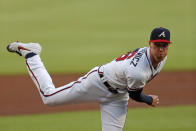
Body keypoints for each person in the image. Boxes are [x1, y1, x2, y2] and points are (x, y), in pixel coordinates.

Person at [7, 27, 171, 131]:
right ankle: (32, 54)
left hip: (117, 97)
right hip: (98, 83)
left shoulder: (160, 58)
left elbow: (130, 89)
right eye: (157, 45)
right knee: (49, 98)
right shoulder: (138, 72)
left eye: (164, 46)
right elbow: (135, 95)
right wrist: (149, 99)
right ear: (150, 44)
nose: (161, 50)